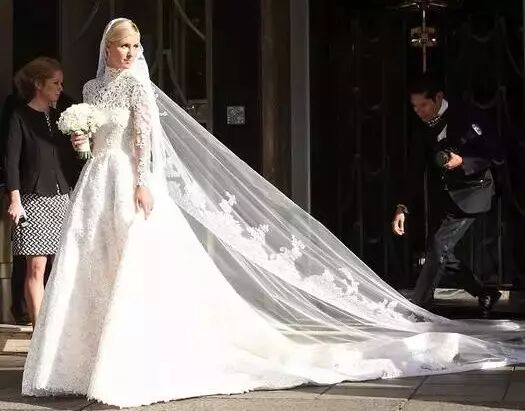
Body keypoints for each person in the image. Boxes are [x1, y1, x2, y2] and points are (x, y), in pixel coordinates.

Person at [22, 19, 525, 408]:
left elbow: (143, 138)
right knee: (93, 264)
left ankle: (130, 361)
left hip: (128, 180)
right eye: (124, 47)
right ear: (107, 49)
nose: (131, 53)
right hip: (97, 180)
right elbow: (94, 136)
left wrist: (142, 182)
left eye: (136, 46)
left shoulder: (137, 86)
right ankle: (81, 360)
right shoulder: (91, 90)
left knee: (135, 266)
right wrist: (83, 141)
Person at [391, 73, 502, 317]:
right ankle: (484, 292)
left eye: (423, 105)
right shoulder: (421, 128)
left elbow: (494, 154)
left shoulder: (467, 115)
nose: (419, 111)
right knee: (440, 249)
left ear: (439, 97)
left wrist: (463, 161)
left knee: (438, 245)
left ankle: (420, 308)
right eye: (414, 107)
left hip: (473, 191)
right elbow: (414, 171)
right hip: (447, 195)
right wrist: (402, 207)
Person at [4, 57, 80, 325]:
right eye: (55, 83)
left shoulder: (61, 118)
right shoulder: (19, 116)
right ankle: (39, 332)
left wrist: (79, 145)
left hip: (62, 199)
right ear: (38, 84)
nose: (61, 88)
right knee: (36, 267)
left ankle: (56, 326)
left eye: (61, 83)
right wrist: (15, 200)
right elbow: (11, 161)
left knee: (60, 267)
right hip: (33, 200)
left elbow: (70, 160)